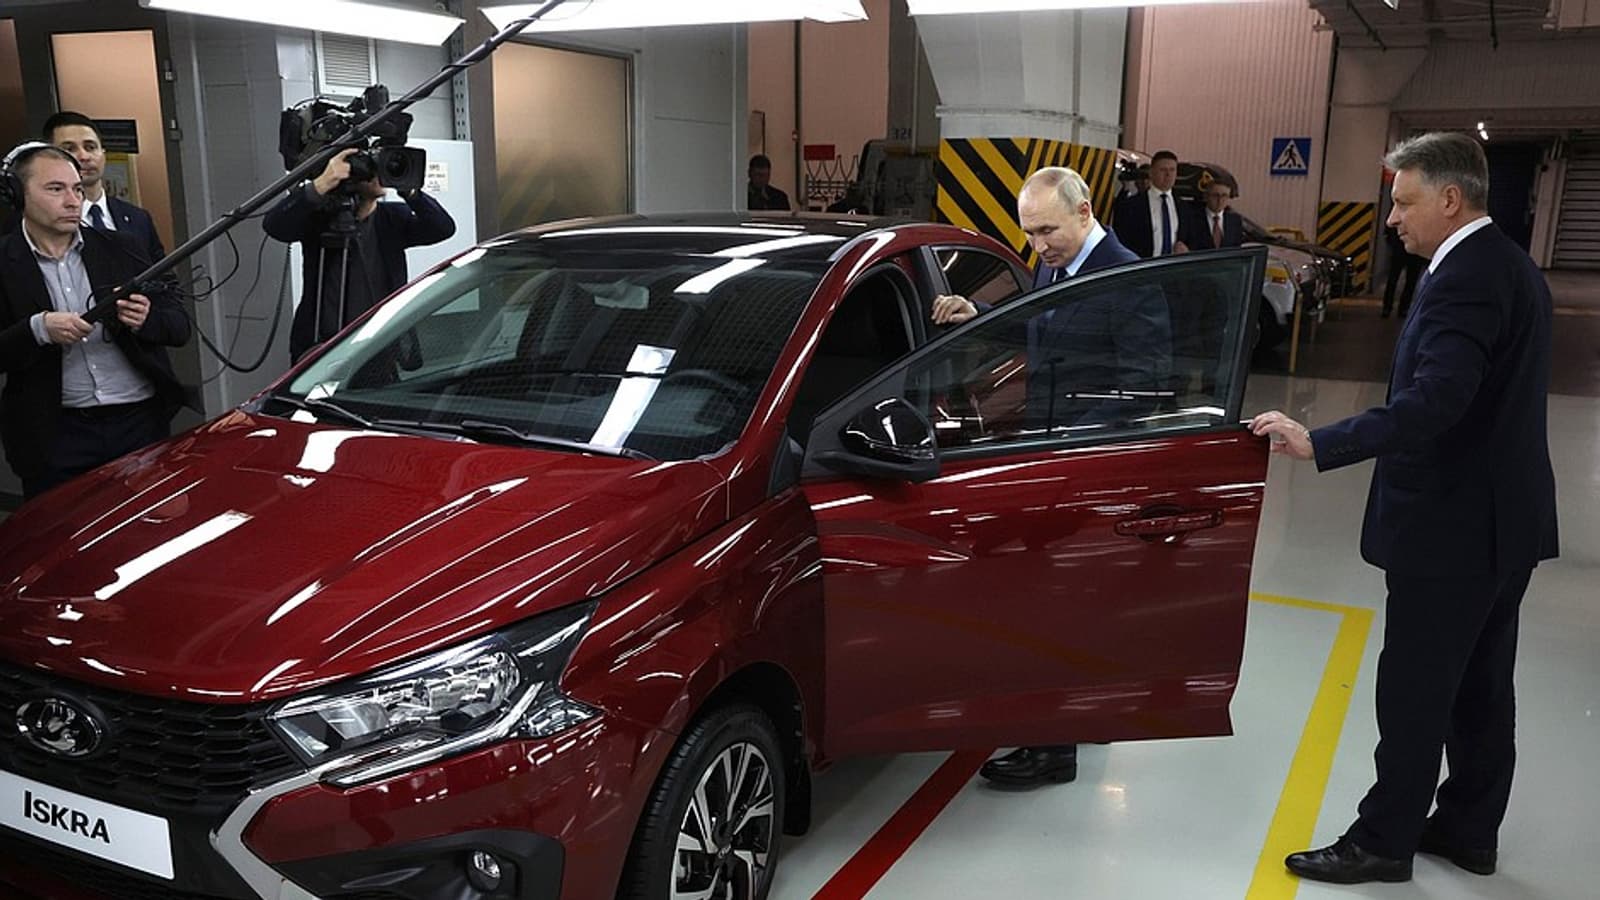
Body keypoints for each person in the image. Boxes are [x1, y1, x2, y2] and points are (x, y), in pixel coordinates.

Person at [1251, 132, 1558, 886]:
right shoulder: (1509, 264)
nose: (1391, 219)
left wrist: (1321, 441)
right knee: (1481, 686)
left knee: (1416, 690)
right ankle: (1468, 829)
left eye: (1403, 202)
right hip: (1502, 521)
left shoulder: (1464, 279)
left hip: (1452, 529)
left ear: (1450, 199)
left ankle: (1384, 840)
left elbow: (1436, 402)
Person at [931, 166, 1170, 787]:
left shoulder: (1126, 277)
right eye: (1030, 233)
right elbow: (1043, 325)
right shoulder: (1055, 265)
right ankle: (1086, 711)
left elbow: (1146, 385)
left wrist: (1070, 443)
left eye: (1047, 231)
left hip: (1087, 466)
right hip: (1051, 463)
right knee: (1074, 602)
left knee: (1056, 605)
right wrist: (980, 312)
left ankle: (1052, 749)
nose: (1038, 246)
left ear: (1084, 212)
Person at [0, 143, 193, 500]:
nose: (73, 201)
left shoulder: (124, 247)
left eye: (77, 189)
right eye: (55, 189)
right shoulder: (5, 261)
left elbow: (179, 327)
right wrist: (37, 329)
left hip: (139, 423)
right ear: (16, 194)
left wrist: (146, 318)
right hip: (56, 434)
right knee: (62, 530)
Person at [264, 147, 455, 362]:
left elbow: (443, 228)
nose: (379, 173)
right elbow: (275, 226)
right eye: (372, 167)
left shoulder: (393, 219)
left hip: (378, 345)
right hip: (322, 347)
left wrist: (411, 192)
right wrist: (321, 184)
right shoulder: (320, 218)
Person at [44, 111, 166, 266]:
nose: (84, 156)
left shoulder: (138, 218)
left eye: (90, 147)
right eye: (70, 149)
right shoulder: (44, 221)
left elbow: (164, 275)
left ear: (103, 154)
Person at [1112, 150, 1190, 258]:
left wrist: (1186, 248)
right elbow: (1121, 240)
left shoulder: (1183, 207)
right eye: (1163, 170)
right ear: (1151, 173)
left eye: (1172, 170)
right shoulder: (1132, 206)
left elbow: (1191, 239)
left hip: (1174, 265)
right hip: (1143, 264)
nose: (1168, 175)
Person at [1382, 223, 1425, 318]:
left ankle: (1389, 308)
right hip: (1412, 252)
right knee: (1408, 282)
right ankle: (1401, 309)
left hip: (1403, 250)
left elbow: (1389, 230)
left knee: (1397, 280)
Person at [1194, 181, 1244, 250]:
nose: (1220, 200)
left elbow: (1237, 249)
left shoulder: (1235, 220)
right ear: (1206, 196)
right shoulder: (1191, 219)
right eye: (1215, 195)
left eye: (1224, 195)